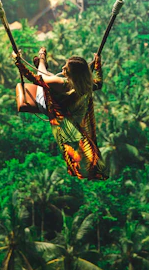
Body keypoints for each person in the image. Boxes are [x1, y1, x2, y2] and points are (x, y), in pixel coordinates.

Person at [12, 47, 108, 180]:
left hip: (52, 107)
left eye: (66, 68)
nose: (63, 67)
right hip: (68, 107)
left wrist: (18, 61)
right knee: (52, 78)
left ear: (72, 75)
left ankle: (41, 60)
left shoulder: (62, 84)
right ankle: (42, 63)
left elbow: (35, 79)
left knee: (45, 75)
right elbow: (100, 82)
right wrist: (97, 65)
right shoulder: (87, 85)